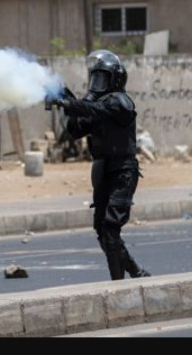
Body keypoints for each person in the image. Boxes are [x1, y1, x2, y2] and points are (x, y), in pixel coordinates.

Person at [49, 49, 150, 280]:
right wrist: (65, 99)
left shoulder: (120, 102)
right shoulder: (97, 106)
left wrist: (70, 102)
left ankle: (120, 281)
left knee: (111, 228)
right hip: (103, 171)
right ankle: (135, 272)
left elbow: (96, 110)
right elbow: (75, 130)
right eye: (95, 78)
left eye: (102, 78)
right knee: (102, 230)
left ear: (115, 79)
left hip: (122, 172)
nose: (97, 83)